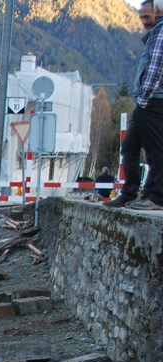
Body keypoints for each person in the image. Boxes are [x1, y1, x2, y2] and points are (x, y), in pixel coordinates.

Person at [106, 0, 163, 209]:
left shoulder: (160, 32)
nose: (143, 21)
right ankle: (131, 193)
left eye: (146, 16)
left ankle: (157, 197)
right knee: (130, 146)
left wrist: (144, 98)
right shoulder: (156, 31)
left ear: (157, 11)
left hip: (153, 100)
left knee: (155, 150)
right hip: (147, 100)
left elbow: (156, 67)